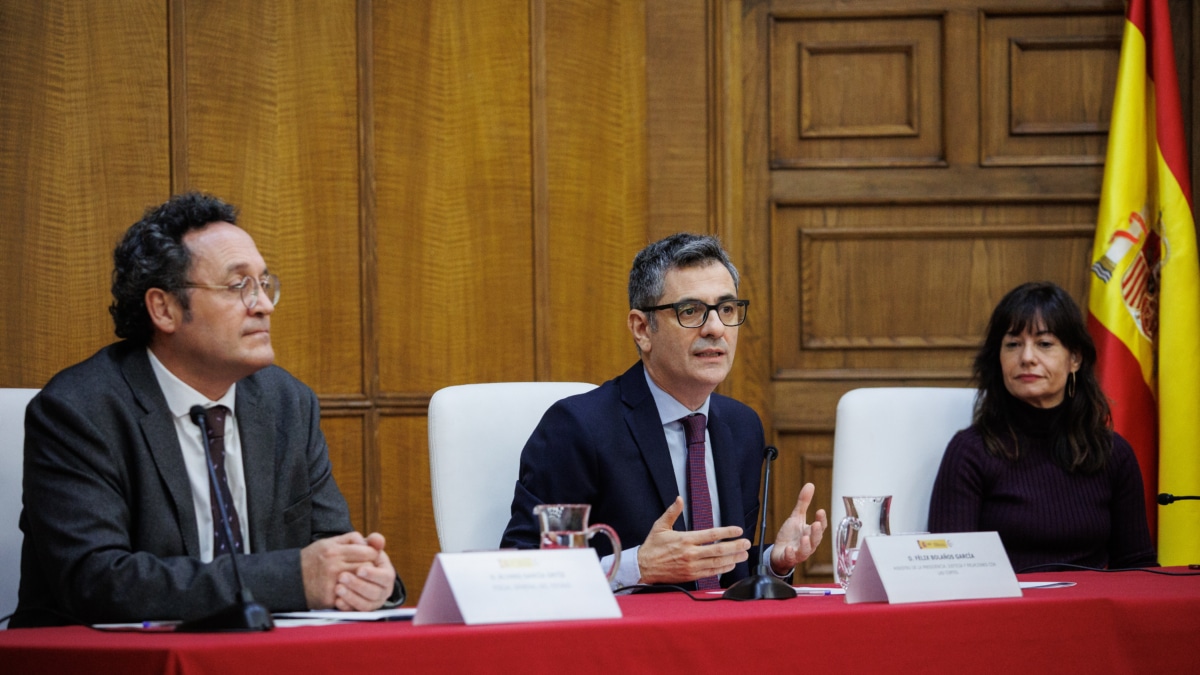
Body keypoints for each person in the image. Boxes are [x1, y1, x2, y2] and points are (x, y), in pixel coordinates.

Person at [12, 192, 404, 628]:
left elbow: (329, 547)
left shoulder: (287, 403)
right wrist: (294, 578)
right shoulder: (79, 410)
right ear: (164, 309)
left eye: (264, 283)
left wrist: (363, 576)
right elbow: (99, 582)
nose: (264, 305)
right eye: (239, 286)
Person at [501, 233, 827, 589]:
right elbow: (524, 567)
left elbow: (720, 571)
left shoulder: (741, 426)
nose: (716, 329)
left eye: (727, 309)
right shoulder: (579, 427)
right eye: (691, 311)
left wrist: (772, 562)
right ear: (642, 329)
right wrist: (636, 566)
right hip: (627, 640)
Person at [927, 281, 1157, 572]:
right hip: (1004, 612)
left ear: (1075, 358)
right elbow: (947, 570)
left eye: (1044, 344)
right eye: (1013, 344)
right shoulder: (971, 452)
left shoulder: (1113, 454)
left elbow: (1137, 567)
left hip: (1093, 612)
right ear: (998, 359)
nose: (1026, 358)